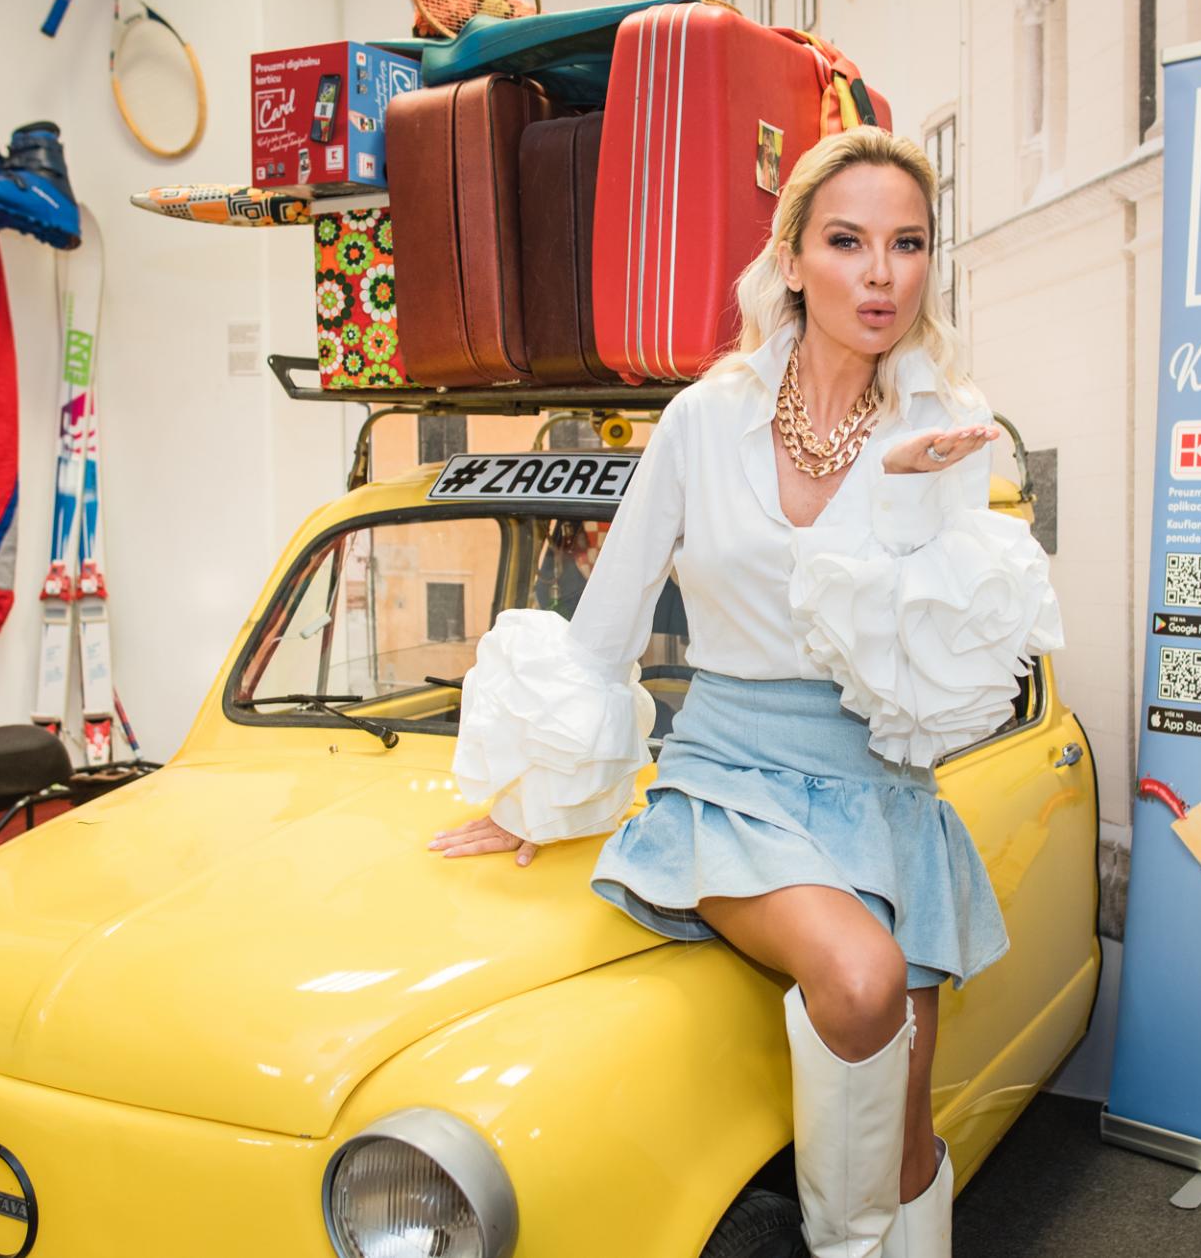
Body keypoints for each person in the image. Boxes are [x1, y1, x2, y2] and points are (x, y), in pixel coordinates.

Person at [433, 125, 1063, 1258]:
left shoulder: (944, 422)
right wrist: (535, 795)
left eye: (909, 243)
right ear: (791, 259)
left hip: (881, 788)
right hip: (730, 781)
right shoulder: (705, 416)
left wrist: (898, 495)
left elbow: (933, 661)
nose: (881, 274)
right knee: (861, 976)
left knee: (908, 1137)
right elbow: (610, 620)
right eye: (848, 241)